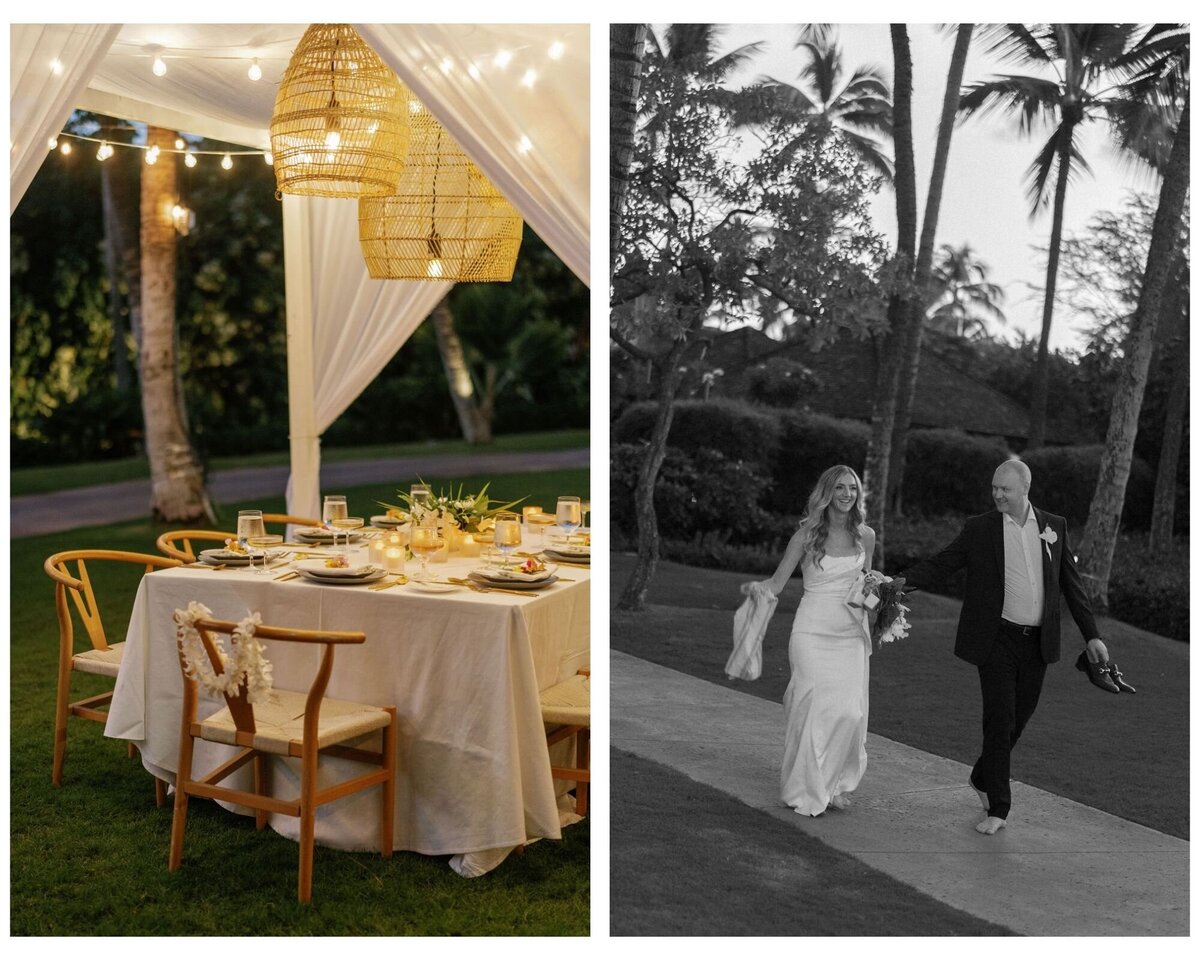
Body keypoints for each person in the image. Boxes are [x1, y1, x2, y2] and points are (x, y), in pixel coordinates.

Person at [901, 459, 1108, 835]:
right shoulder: (980, 529)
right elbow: (943, 564)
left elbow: (1072, 586)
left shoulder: (1053, 527)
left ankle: (982, 775)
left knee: (1018, 719)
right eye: (994, 487)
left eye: (1005, 489)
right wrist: (898, 583)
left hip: (1037, 644)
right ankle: (999, 806)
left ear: (1025, 489)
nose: (997, 494)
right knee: (999, 720)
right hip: (996, 640)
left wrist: (1092, 634)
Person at [746, 465, 877, 817]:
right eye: (839, 488)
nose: (847, 494)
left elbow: (869, 587)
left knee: (849, 712)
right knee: (812, 710)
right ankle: (804, 789)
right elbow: (777, 584)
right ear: (826, 494)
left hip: (850, 634)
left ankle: (831, 783)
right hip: (812, 630)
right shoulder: (806, 536)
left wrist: (883, 609)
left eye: (852, 488)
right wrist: (757, 593)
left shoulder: (866, 536)